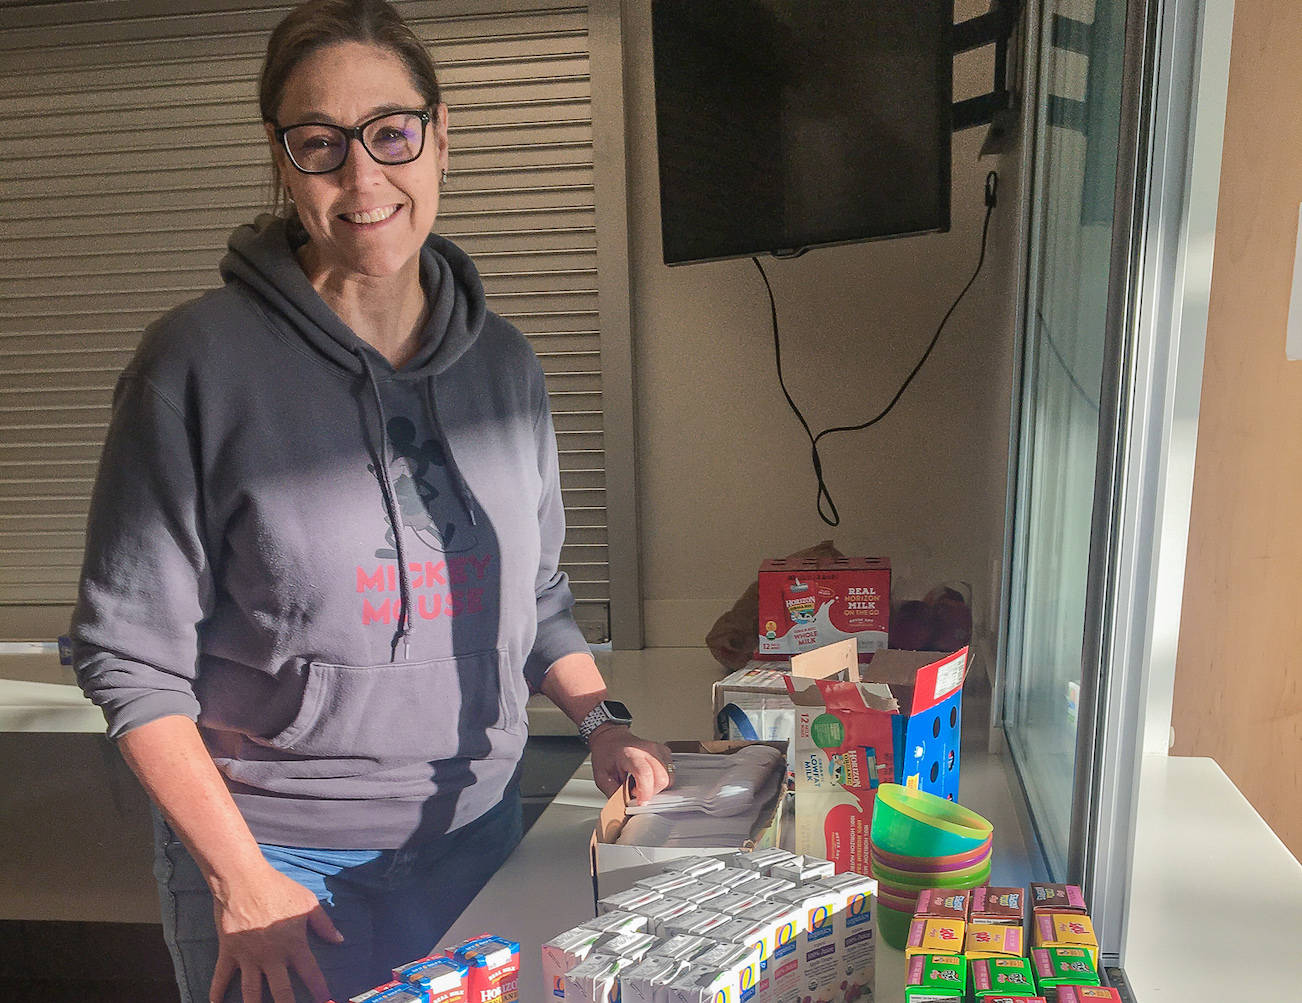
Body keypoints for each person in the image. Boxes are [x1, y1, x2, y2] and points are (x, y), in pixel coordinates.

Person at [70, 2, 672, 1001]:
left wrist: (602, 719)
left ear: (441, 138)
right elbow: (129, 660)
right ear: (281, 160)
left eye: (391, 133)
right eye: (320, 145)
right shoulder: (195, 365)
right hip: (281, 875)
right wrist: (241, 877)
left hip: (480, 837)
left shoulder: (506, 366)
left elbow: (540, 596)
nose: (362, 177)